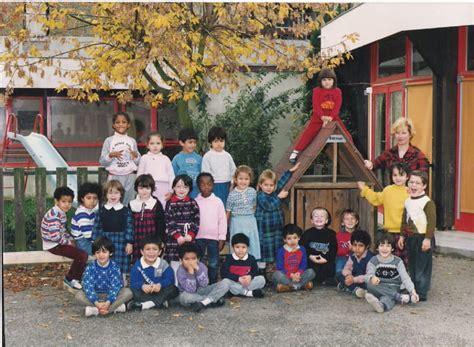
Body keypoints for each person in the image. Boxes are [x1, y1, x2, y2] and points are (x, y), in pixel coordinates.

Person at [289, 68, 352, 163]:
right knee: (309, 133)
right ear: (320, 81)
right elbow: (316, 106)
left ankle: (353, 150)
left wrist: (330, 118)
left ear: (334, 80)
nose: (327, 82)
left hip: (333, 117)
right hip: (318, 117)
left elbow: (337, 107)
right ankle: (295, 152)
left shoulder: (337, 91)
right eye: (324, 80)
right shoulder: (317, 91)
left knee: (345, 133)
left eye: (330, 79)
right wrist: (323, 117)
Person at [358, 162, 410, 265]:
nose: (398, 178)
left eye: (401, 175)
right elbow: (376, 198)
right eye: (395, 175)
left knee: (404, 259)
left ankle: (405, 279)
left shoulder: (410, 192)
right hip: (390, 231)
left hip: (405, 232)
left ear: (407, 176)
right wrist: (364, 189)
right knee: (390, 258)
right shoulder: (388, 190)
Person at [256, 163, 300, 278]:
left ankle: (277, 274)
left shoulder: (274, 192)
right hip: (264, 230)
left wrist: (290, 171)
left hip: (276, 230)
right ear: (260, 185)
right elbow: (269, 206)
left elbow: (281, 182)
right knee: (263, 252)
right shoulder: (260, 196)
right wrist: (279, 197)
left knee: (276, 250)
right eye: (266, 185)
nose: (268, 187)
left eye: (271, 185)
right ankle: (262, 274)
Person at [41, 186, 88, 292]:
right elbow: (55, 237)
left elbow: (62, 231)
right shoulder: (54, 216)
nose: (67, 204)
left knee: (80, 250)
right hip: (53, 245)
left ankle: (77, 276)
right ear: (56, 201)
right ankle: (71, 278)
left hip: (57, 242)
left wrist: (69, 239)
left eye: (69, 202)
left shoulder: (60, 212)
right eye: (63, 201)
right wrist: (67, 242)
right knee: (82, 255)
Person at [398, 170, 436, 302]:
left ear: (424, 186)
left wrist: (427, 239)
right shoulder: (408, 201)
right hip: (411, 237)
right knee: (412, 263)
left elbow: (431, 222)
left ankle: (422, 291)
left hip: (423, 237)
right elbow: (405, 219)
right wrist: (402, 236)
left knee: (423, 265)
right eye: (411, 182)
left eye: (417, 183)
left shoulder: (427, 202)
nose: (413, 185)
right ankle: (413, 287)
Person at [75, 237, 133, 317]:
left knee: (128, 292)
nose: (101, 255)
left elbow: (116, 286)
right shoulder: (90, 267)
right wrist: (96, 302)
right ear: (94, 254)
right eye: (98, 252)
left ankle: (100, 310)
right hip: (95, 295)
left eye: (104, 252)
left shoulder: (114, 267)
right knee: (79, 295)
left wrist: (109, 301)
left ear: (111, 253)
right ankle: (112, 308)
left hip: (111, 295)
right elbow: (88, 285)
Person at [364, 117, 429, 185]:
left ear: (410, 134)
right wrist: (369, 164)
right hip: (393, 193)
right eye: (397, 133)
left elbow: (423, 179)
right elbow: (374, 164)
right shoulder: (389, 153)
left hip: (411, 194)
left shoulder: (419, 156)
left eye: (404, 133)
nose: (400, 136)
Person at [365, 233, 419, 313]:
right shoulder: (373, 260)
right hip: (380, 286)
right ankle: (395, 299)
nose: (384, 248)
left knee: (387, 296)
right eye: (382, 245)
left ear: (392, 248)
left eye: (388, 246)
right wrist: (371, 277)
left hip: (394, 286)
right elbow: (367, 275)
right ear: (377, 248)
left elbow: (405, 277)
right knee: (369, 285)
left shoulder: (398, 261)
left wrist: (412, 291)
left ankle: (384, 303)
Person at [92, 180, 133, 278]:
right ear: (106, 194)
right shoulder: (101, 211)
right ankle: (106, 284)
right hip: (105, 240)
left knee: (120, 267)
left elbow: (129, 227)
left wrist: (129, 243)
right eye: (110, 193)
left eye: (116, 193)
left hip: (121, 241)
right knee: (106, 263)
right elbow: (96, 227)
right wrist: (95, 242)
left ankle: (121, 284)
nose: (113, 196)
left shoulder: (126, 211)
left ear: (121, 194)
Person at [99, 112, 141, 205]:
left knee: (129, 203)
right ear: (113, 125)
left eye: (124, 122)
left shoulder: (132, 141)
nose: (121, 124)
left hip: (130, 177)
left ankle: (127, 219)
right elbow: (102, 161)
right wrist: (110, 155)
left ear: (128, 124)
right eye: (117, 122)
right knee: (112, 202)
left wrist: (135, 156)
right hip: (114, 176)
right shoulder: (109, 141)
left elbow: (138, 162)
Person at [128, 235, 179, 311]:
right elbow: (133, 282)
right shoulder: (138, 265)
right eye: (147, 249)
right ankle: (159, 302)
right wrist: (142, 286)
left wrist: (160, 285)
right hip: (145, 292)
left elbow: (170, 279)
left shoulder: (163, 264)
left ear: (159, 252)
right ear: (142, 252)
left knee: (174, 289)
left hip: (160, 290)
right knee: (133, 291)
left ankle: (148, 304)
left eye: (155, 249)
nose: (151, 252)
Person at [176, 242, 231, 312]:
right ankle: (212, 300)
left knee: (226, 282)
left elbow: (204, 284)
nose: (190, 262)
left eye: (193, 258)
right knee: (184, 298)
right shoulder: (180, 270)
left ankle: (205, 302)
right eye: (187, 259)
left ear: (198, 259)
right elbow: (191, 290)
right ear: (181, 260)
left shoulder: (201, 266)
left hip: (202, 290)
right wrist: (191, 272)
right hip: (189, 294)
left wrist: (198, 270)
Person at [195, 172, 227, 284]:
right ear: (198, 186)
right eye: (202, 184)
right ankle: (201, 284)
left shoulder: (217, 201)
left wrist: (222, 238)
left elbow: (222, 220)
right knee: (199, 262)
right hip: (199, 238)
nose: (206, 187)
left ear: (213, 185)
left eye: (209, 184)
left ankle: (213, 283)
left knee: (213, 263)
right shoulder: (195, 201)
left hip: (214, 238)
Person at [164, 174, 200, 275]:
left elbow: (196, 221)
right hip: (174, 239)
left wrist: (191, 235)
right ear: (173, 187)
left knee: (188, 262)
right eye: (178, 186)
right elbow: (169, 221)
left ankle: (189, 284)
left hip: (188, 237)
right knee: (175, 264)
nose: (181, 189)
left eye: (185, 187)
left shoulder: (193, 203)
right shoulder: (170, 203)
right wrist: (177, 236)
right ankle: (176, 286)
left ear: (190, 189)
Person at [129, 174, 166, 263]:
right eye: (141, 188)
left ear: (152, 189)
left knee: (152, 261)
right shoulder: (132, 204)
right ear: (136, 189)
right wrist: (129, 242)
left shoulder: (156, 203)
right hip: (136, 239)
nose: (144, 191)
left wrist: (161, 240)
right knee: (138, 262)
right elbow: (128, 225)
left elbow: (161, 224)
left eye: (147, 188)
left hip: (152, 238)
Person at [226, 165, 260, 260]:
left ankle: (252, 263)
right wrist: (225, 226)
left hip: (250, 221)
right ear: (235, 179)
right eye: (240, 178)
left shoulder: (252, 192)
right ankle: (236, 263)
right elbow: (228, 211)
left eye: (246, 179)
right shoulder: (232, 194)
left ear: (250, 180)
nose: (243, 181)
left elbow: (254, 206)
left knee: (251, 242)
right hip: (237, 222)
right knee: (238, 243)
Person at [272, 224, 315, 292]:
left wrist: (298, 273)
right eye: (289, 238)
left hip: (299, 276)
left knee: (311, 272)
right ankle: (300, 285)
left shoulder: (302, 249)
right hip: (286, 276)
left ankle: (288, 287)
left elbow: (303, 265)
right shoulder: (281, 251)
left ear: (299, 238)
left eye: (295, 238)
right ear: (284, 239)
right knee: (276, 275)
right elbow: (280, 267)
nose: (292, 241)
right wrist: (291, 275)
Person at [300, 207, 337, 286]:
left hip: (325, 260)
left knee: (331, 268)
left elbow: (333, 249)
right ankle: (312, 280)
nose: (319, 218)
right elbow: (303, 247)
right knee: (310, 269)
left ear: (327, 220)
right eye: (316, 216)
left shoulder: (331, 234)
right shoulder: (307, 234)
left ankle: (326, 280)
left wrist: (326, 258)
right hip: (311, 260)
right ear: (312, 220)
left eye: (322, 216)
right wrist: (310, 256)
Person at [221, 233, 265, 298]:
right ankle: (249, 293)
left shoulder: (251, 258)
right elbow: (224, 273)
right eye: (237, 247)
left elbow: (255, 271)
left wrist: (250, 276)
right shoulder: (229, 258)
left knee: (261, 279)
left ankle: (237, 292)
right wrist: (238, 278)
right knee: (226, 282)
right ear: (233, 247)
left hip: (247, 283)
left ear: (248, 248)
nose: (240, 250)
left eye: (243, 247)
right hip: (234, 282)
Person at [136, 132, 175, 208]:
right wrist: (139, 188)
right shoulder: (144, 158)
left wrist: (171, 191)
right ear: (147, 145)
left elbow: (171, 175)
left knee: (162, 207)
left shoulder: (166, 159)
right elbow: (139, 174)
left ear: (162, 145)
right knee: (149, 207)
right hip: (147, 187)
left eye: (158, 143)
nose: (155, 146)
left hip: (163, 188)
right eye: (152, 143)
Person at [201, 126, 236, 205]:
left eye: (221, 141)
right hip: (214, 186)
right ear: (210, 142)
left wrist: (232, 183)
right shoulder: (207, 156)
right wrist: (209, 186)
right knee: (215, 206)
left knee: (227, 207)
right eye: (216, 141)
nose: (219, 144)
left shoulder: (227, 155)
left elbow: (233, 170)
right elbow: (205, 173)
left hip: (227, 186)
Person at [336, 230, 374, 298]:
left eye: (360, 246)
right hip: (353, 279)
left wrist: (353, 280)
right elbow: (347, 267)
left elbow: (369, 276)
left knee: (371, 284)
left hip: (364, 280)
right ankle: (356, 290)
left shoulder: (371, 258)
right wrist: (349, 275)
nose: (357, 248)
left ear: (367, 246)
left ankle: (347, 288)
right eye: (354, 245)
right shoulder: (352, 255)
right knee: (339, 274)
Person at [71, 182, 101, 255]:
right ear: (82, 199)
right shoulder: (82, 214)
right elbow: (88, 235)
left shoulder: (91, 211)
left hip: (90, 238)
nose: (92, 201)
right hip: (82, 242)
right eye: (88, 198)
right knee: (101, 253)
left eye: (95, 198)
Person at [171, 128, 202, 198]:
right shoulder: (177, 158)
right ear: (181, 143)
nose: (193, 145)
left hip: (195, 192)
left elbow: (202, 174)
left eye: (195, 142)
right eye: (190, 142)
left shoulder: (199, 158)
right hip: (181, 192)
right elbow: (172, 176)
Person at [335, 209, 359, 276]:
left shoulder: (360, 235)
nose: (350, 221)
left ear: (356, 221)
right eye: (347, 219)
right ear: (342, 223)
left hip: (356, 257)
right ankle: (341, 280)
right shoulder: (338, 235)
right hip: (342, 257)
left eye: (352, 218)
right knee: (339, 269)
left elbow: (364, 250)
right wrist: (348, 250)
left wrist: (354, 250)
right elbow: (337, 251)